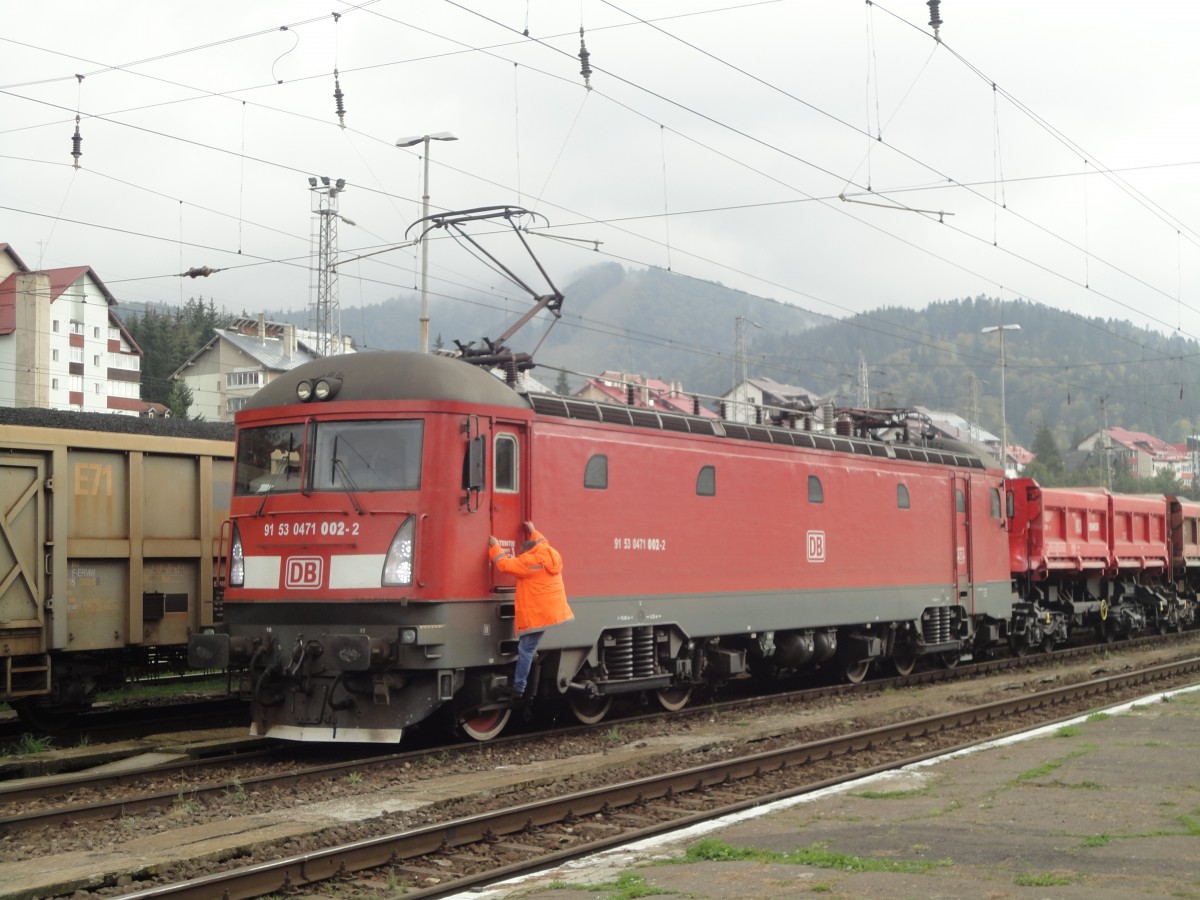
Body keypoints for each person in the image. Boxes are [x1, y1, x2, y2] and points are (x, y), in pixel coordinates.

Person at [487, 521, 574, 699]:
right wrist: (532, 530)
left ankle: (519, 687)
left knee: (525, 649)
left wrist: (494, 545)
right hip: (551, 611)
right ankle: (523, 684)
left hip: (538, 614)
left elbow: (504, 564)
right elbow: (543, 540)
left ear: (525, 552)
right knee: (529, 648)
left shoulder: (528, 561)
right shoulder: (549, 552)